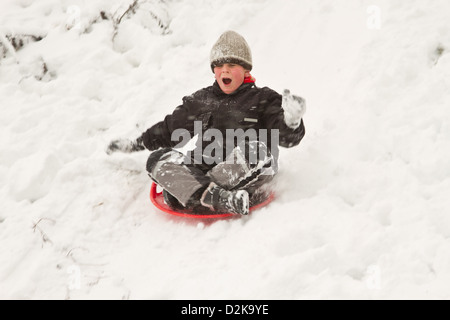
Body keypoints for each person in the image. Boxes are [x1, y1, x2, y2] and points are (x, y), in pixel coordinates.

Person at [107, 30, 306, 215]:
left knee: (259, 151)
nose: (224, 71)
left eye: (232, 65)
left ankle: (190, 192)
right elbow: (170, 127)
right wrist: (137, 143)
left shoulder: (263, 98)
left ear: (246, 70)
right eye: (219, 66)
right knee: (157, 159)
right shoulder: (203, 100)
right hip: (205, 171)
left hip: (245, 172)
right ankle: (217, 198)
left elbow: (286, 139)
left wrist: (292, 121)